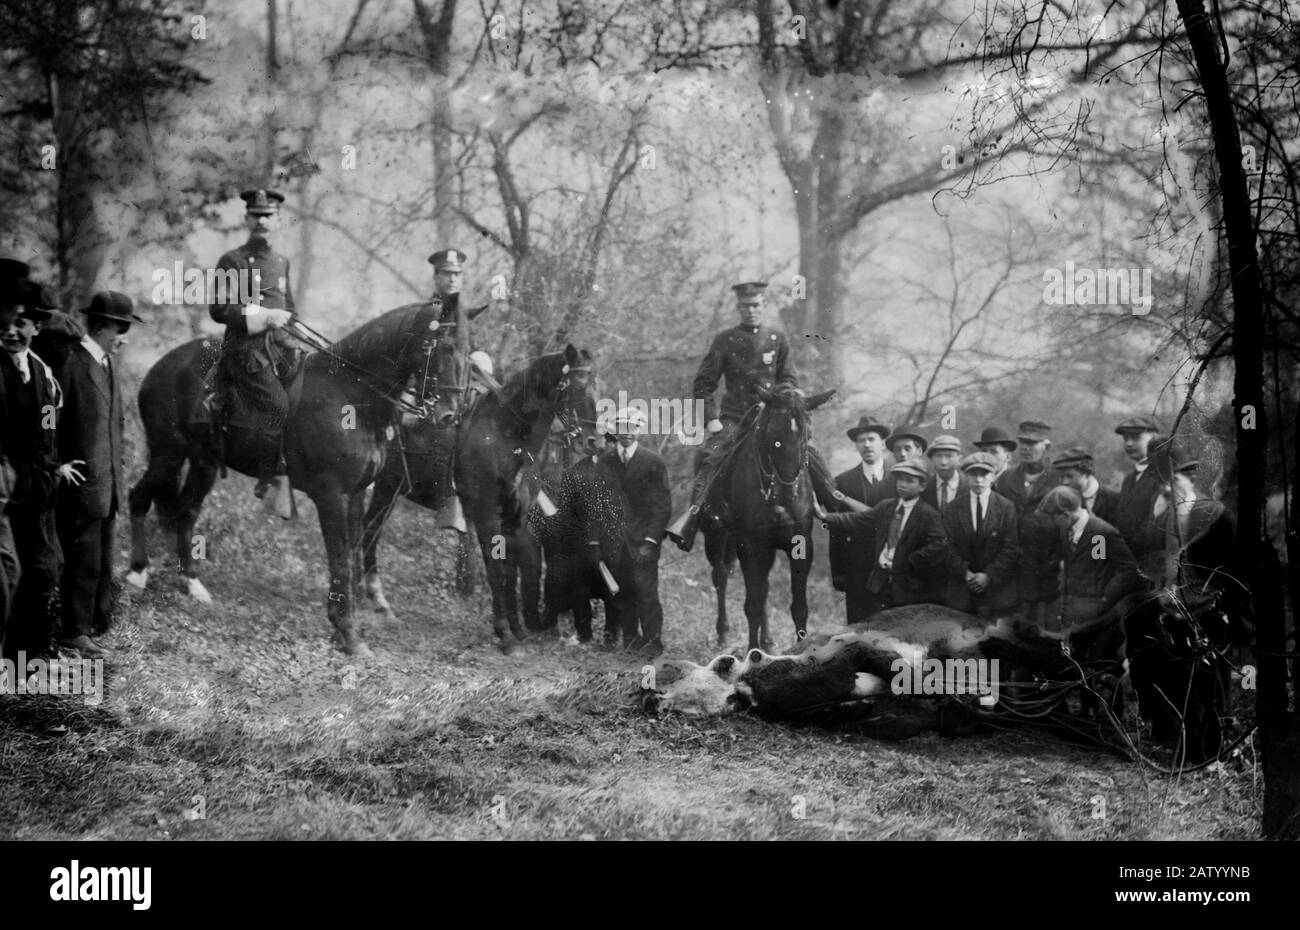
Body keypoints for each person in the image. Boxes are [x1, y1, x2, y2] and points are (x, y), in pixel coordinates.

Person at [1124, 437, 1246, 761]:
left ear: (1190, 478)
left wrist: (1209, 601)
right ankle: (1174, 739)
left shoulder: (1216, 516)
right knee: (1168, 668)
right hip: (1175, 608)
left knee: (1206, 685)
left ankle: (1208, 755)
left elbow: (1235, 571)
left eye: (1175, 479)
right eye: (1165, 480)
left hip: (1210, 609)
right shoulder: (1169, 515)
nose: (1169, 487)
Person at [670, 281, 801, 551]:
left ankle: (818, 510)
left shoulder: (778, 339)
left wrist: (781, 399)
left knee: (804, 450)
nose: (751, 310)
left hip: (771, 416)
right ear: (738, 308)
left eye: (756, 305)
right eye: (745, 306)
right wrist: (711, 420)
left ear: (764, 306)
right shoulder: (724, 340)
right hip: (734, 418)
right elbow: (703, 384)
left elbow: (787, 378)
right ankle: (693, 518)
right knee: (709, 456)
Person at [51, 292, 143, 657]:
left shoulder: (106, 363)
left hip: (107, 483)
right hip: (80, 484)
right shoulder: (70, 364)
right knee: (83, 559)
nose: (125, 336)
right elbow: (48, 420)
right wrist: (56, 462)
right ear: (102, 327)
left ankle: (96, 623)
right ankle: (74, 631)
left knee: (102, 556)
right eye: (121, 328)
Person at [208, 188, 298, 498]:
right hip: (246, 352)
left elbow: (291, 310)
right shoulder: (231, 261)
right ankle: (268, 476)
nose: (262, 221)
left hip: (281, 348)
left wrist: (289, 326)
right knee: (278, 404)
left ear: (278, 220)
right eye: (256, 216)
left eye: (268, 216)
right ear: (247, 218)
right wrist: (263, 315)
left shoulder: (282, 261)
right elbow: (219, 310)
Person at [0, 278, 65, 663]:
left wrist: (51, 467)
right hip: (5, 481)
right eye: (8, 323)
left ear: (37, 328)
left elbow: (46, 426)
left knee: (41, 568)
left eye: (23, 323)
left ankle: (30, 656)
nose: (12, 331)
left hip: (34, 483)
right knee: (8, 571)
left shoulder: (42, 374)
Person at [1037, 485, 1143, 715]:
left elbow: (1127, 570)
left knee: (1101, 666)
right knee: (1079, 665)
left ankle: (1108, 721)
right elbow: (1086, 567)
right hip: (1077, 614)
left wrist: (1106, 597)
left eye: (1054, 518)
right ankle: (1087, 713)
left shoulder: (1100, 532)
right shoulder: (1069, 531)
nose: (1052, 524)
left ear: (1065, 515)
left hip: (1102, 617)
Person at [816, 460, 948, 613]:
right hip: (880, 582)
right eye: (900, 479)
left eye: (909, 481)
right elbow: (857, 519)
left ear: (922, 486)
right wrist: (824, 516)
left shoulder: (927, 514)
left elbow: (940, 544)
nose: (902, 485)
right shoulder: (887, 506)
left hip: (908, 585)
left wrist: (908, 561)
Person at [590, 408, 671, 656]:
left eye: (633, 427)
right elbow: (596, 503)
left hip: (643, 541)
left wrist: (650, 540)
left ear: (639, 429)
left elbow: (662, 507)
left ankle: (652, 642)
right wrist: (594, 541)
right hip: (614, 541)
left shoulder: (653, 462)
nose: (627, 433)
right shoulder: (604, 461)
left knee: (647, 592)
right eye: (622, 427)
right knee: (622, 592)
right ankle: (630, 639)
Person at [829, 415, 897, 622]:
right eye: (861, 440)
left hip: (893, 570)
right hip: (856, 569)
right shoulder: (842, 482)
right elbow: (837, 530)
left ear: (883, 443)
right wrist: (839, 572)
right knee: (858, 629)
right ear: (856, 446)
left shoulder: (899, 479)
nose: (866, 445)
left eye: (871, 439)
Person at [995, 420, 1063, 625]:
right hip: (1013, 571)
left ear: (1046, 446)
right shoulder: (1005, 479)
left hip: (1048, 570)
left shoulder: (1059, 478)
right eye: (1023, 442)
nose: (1026, 448)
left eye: (1033, 443)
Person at [941, 452, 1018, 617]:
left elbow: (1011, 547)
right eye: (973, 474)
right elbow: (946, 547)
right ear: (965, 476)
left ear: (994, 477)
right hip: (961, 590)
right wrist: (965, 573)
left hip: (996, 591)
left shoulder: (1006, 507)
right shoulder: (952, 508)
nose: (979, 480)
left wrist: (989, 575)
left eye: (984, 474)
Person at [1113, 415, 1165, 579]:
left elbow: (1158, 525)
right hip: (1130, 566)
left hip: (1153, 568)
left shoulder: (1162, 476)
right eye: (1126, 438)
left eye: (1135, 438)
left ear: (1154, 437)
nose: (1128, 443)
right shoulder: (1129, 480)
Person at [1053, 447, 1120, 526]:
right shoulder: (1059, 500)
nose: (1064, 482)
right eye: (1061, 477)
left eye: (1070, 476)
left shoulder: (1114, 499)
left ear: (1087, 474)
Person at [922, 434, 964, 515]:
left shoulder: (970, 486)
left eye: (949, 456)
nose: (943, 462)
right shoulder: (924, 488)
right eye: (938, 456)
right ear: (932, 459)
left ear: (959, 459)